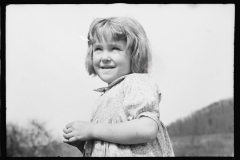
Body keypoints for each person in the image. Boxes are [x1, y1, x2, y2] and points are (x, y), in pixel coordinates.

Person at [62, 17, 174, 157]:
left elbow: (147, 129)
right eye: (98, 49)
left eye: (114, 48)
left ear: (134, 54)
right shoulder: (105, 97)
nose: (104, 57)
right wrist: (87, 144)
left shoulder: (137, 82)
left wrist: (92, 130)